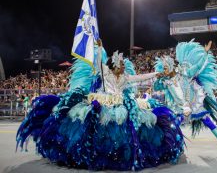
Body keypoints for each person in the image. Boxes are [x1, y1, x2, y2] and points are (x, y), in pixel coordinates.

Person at [16, 41, 184, 171]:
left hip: (120, 103)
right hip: (105, 101)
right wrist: (99, 49)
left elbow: (141, 77)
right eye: (122, 65)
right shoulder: (106, 73)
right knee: (100, 125)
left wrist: (157, 73)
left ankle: (119, 153)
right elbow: (98, 63)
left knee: (128, 124)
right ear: (115, 66)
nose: (124, 67)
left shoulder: (124, 78)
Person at [175, 40, 217, 156]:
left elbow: (199, 65)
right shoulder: (177, 76)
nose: (182, 67)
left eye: (185, 66)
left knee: (209, 123)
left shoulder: (189, 73)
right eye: (181, 65)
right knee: (174, 125)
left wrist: (205, 53)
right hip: (184, 106)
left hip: (196, 105)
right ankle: (177, 148)